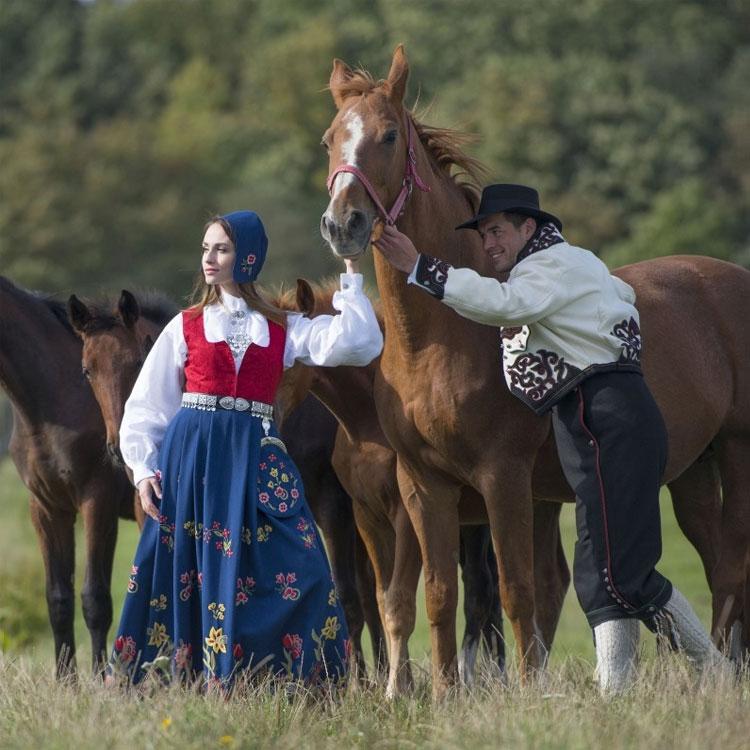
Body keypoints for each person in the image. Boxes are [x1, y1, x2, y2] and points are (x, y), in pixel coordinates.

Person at [374, 183, 729, 695]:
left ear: (529, 229)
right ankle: (619, 688)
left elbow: (506, 305)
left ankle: (711, 669)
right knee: (604, 564)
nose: (488, 243)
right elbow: (623, 300)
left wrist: (419, 267)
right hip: (600, 414)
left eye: (497, 232)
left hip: (604, 414)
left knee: (615, 570)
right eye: (482, 234)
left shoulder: (550, 267)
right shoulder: (572, 265)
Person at [108, 210, 383, 689]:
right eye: (206, 249)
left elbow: (358, 343)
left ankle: (281, 678)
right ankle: (182, 680)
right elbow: (148, 405)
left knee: (307, 565)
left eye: (222, 249)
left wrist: (352, 272)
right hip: (193, 456)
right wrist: (144, 469)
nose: (209, 259)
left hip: (257, 455)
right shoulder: (186, 325)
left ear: (248, 258)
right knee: (191, 568)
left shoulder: (284, 328)